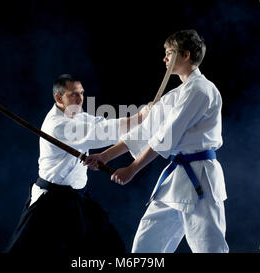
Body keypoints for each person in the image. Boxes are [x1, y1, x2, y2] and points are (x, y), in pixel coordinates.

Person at [84, 29, 229, 253]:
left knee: (209, 248)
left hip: (201, 179)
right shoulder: (177, 94)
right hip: (176, 181)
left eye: (169, 53)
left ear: (186, 55)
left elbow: (165, 137)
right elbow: (145, 130)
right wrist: (104, 156)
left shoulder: (200, 90)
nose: (165, 58)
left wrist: (132, 168)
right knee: (146, 246)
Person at [5, 74, 148, 254]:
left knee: (112, 247)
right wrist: (139, 118)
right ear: (59, 97)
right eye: (74, 94)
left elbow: (102, 123)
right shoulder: (56, 125)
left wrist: (139, 120)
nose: (80, 99)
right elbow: (100, 133)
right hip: (50, 202)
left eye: (81, 93)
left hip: (77, 199)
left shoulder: (77, 115)